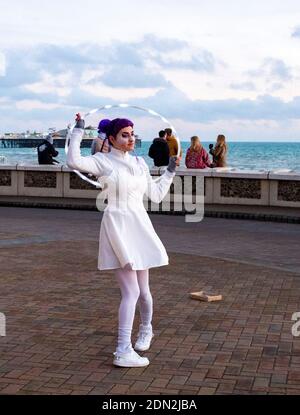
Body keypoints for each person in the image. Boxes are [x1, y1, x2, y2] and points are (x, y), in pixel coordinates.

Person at [67, 114, 177, 368]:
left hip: (139, 225)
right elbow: (73, 160)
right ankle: (122, 350)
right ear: (113, 138)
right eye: (125, 135)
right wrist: (78, 130)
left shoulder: (139, 163)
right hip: (118, 224)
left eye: (132, 134)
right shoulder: (102, 161)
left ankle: (146, 330)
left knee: (144, 292)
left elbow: (157, 195)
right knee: (132, 292)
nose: (131, 139)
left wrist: (170, 171)